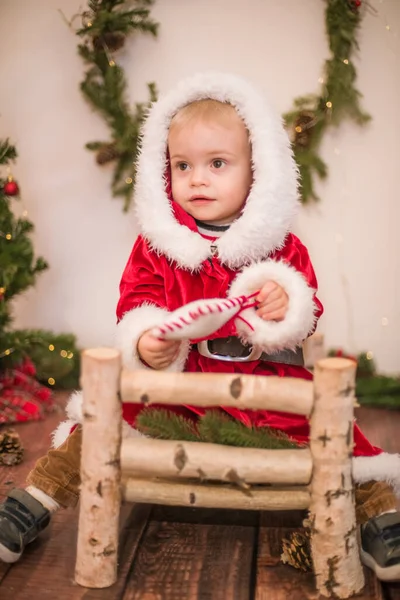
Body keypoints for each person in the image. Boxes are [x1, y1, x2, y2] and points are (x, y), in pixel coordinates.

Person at [1, 72, 399, 581]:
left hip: (264, 390)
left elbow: (308, 307)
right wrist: (146, 342)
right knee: (103, 419)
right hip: (181, 393)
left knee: (339, 433)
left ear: (258, 172)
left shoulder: (280, 246)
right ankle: (32, 502)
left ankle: (379, 516)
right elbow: (136, 301)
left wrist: (287, 303)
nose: (197, 179)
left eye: (217, 164)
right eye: (182, 166)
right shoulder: (158, 246)